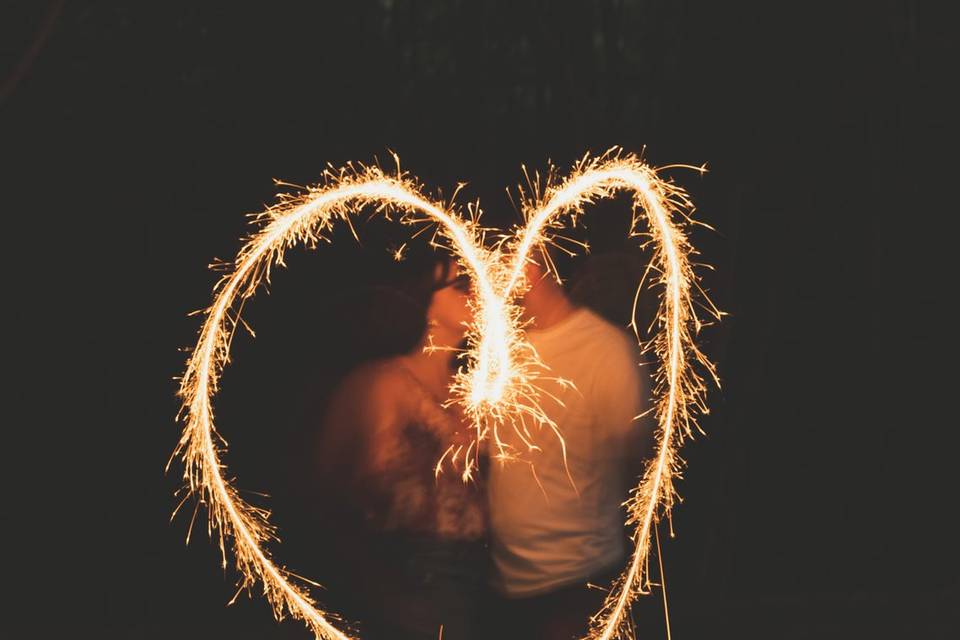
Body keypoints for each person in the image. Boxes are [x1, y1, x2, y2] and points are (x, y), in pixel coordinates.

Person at [315, 251, 486, 640]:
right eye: (461, 285)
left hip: (470, 583)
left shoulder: (472, 395)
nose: (477, 293)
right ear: (424, 299)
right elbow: (328, 483)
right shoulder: (383, 383)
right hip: (399, 578)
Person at [487, 257, 650, 639]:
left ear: (532, 263)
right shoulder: (501, 353)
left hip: (577, 579)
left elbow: (633, 458)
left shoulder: (606, 349)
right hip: (503, 578)